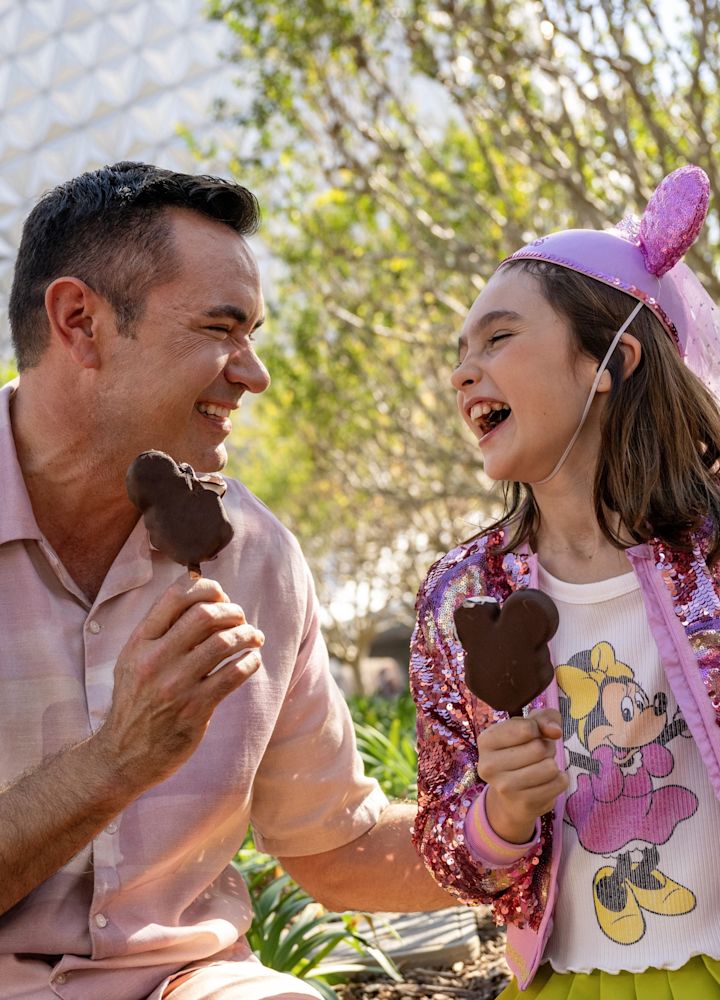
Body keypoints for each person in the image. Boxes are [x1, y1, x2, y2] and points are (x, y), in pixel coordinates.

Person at [0, 161, 452, 1000]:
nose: (254, 373)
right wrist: (115, 762)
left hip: (191, 981)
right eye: (222, 328)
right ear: (79, 322)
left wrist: (519, 827)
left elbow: (335, 849)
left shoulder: (260, 560)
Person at [409, 164, 720, 997]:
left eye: (498, 338)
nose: (463, 372)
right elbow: (444, 843)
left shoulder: (715, 558)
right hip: (564, 981)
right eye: (460, 353)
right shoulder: (460, 599)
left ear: (610, 362)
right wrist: (500, 814)